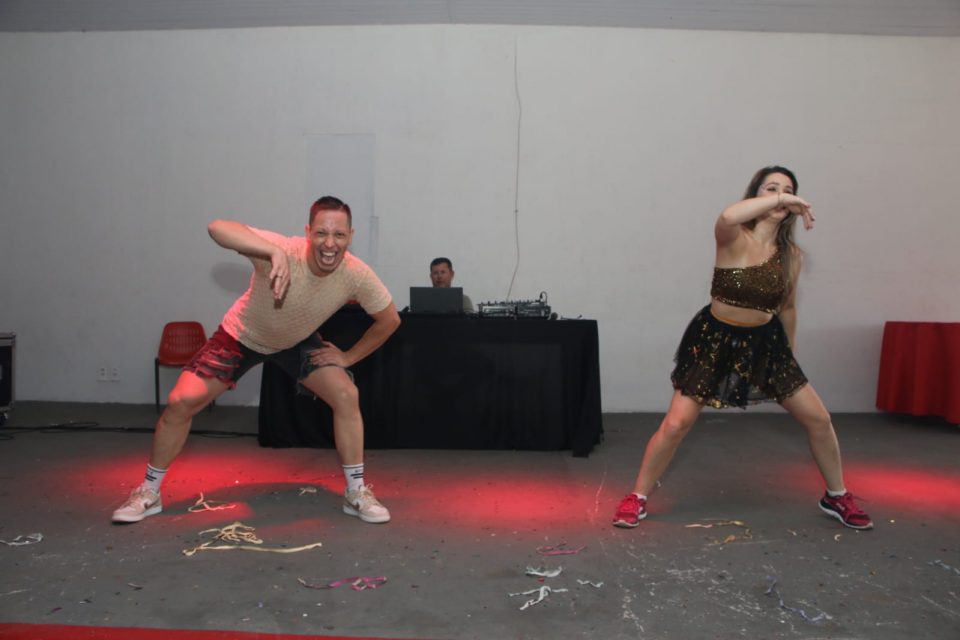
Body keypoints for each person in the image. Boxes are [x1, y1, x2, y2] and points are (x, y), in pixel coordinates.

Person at [612, 166, 873, 531]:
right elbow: (727, 215)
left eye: (787, 190)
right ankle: (637, 496)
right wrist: (782, 197)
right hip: (715, 338)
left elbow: (787, 308)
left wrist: (788, 356)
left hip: (766, 342)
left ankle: (836, 495)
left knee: (819, 419)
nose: (780, 195)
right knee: (676, 424)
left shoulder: (790, 255)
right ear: (755, 195)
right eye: (771, 188)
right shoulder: (733, 236)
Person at [112, 196, 401, 525]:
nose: (330, 244)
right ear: (308, 232)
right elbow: (217, 228)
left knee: (347, 395)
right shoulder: (282, 249)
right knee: (180, 401)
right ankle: (148, 492)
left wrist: (348, 357)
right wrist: (271, 251)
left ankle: (356, 491)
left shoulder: (356, 274)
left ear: (351, 236)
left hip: (295, 341)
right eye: (321, 233)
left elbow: (389, 320)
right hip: (241, 337)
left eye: (339, 235)